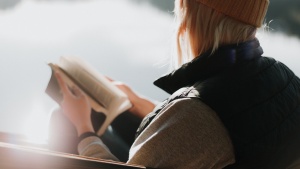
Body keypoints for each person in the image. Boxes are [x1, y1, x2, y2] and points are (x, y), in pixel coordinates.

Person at [51, 0, 300, 168]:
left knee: (63, 119)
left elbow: (202, 126)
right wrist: (139, 102)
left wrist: (83, 128)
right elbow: (228, 129)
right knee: (121, 117)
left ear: (193, 18)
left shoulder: (197, 113)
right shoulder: (286, 78)